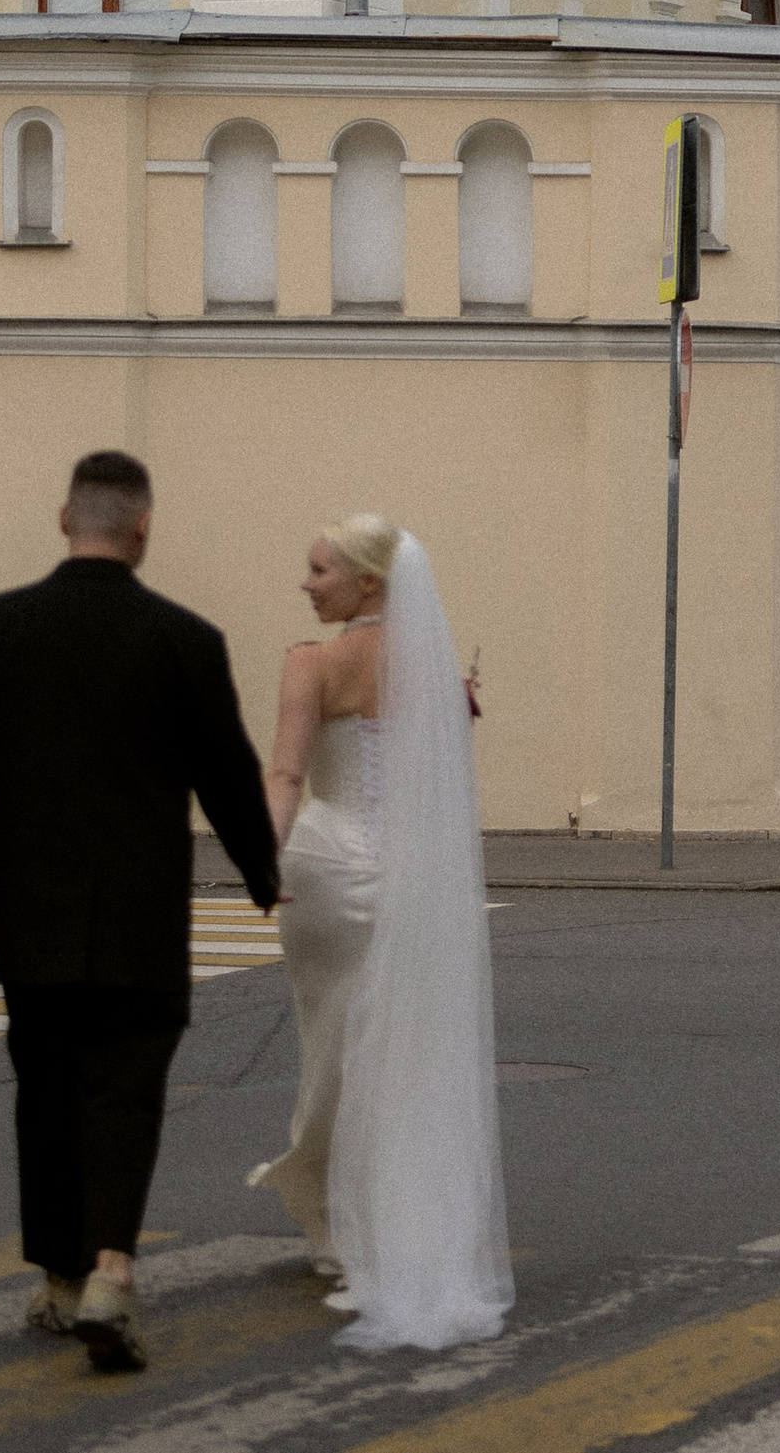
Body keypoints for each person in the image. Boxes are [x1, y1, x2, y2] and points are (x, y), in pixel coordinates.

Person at [0, 447, 279, 1375]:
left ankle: (57, 1280)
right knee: (124, 1090)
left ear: (62, 519)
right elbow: (231, 777)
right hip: (141, 919)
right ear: (143, 528)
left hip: (31, 915)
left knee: (46, 1093)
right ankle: (113, 1272)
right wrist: (264, 876)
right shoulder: (186, 640)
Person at [252, 513, 510, 1352]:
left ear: (368, 581)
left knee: (330, 1045)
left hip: (328, 868)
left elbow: (287, 771)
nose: (306, 581)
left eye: (320, 568)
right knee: (409, 1055)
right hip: (416, 882)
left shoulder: (310, 662)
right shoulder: (432, 667)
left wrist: (265, 860)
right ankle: (402, 1223)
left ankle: (330, 1222)